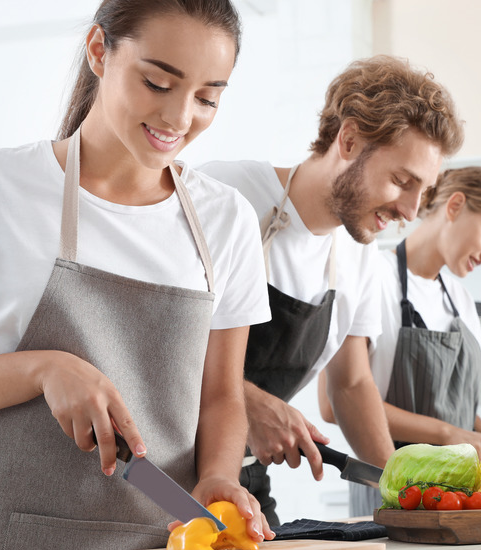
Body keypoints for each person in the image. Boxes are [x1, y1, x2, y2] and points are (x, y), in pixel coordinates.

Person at [0, 1, 275, 550]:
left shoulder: (227, 220)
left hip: (157, 546)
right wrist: (41, 368)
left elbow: (220, 394)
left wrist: (219, 476)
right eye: (157, 83)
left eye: (207, 98)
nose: (179, 118)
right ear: (100, 51)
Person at [198, 55, 464, 525]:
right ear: (349, 138)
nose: (409, 209)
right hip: (158, 476)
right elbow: (147, 339)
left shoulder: (358, 254)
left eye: (422, 192)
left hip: (245, 488)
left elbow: (351, 382)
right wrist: (249, 401)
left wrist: (396, 494)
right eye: (402, 181)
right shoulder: (223, 194)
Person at [317, 166, 481, 515]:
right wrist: (447, 435)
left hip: (460, 496)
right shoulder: (374, 278)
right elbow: (332, 404)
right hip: (391, 488)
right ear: (455, 206)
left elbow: (462, 414)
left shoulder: (463, 301)